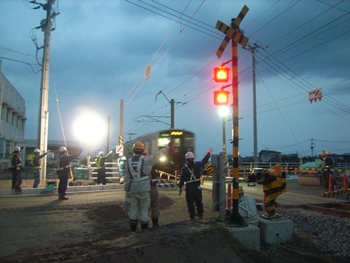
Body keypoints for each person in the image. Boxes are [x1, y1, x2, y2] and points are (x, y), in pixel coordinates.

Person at [124, 141, 172, 232]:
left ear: (134, 151)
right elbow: (158, 154)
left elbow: (127, 178)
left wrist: (127, 190)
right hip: (145, 189)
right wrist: (167, 147)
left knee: (133, 209)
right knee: (144, 209)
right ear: (142, 150)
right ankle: (144, 228)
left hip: (133, 189)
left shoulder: (128, 162)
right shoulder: (147, 160)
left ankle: (133, 229)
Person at [178, 147, 213, 221]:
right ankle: (200, 214)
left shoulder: (184, 168)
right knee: (199, 201)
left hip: (189, 187)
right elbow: (204, 161)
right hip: (197, 186)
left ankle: (192, 216)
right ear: (193, 158)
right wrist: (209, 152)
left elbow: (182, 180)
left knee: (190, 202)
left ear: (186, 159)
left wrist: (180, 188)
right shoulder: (197, 164)